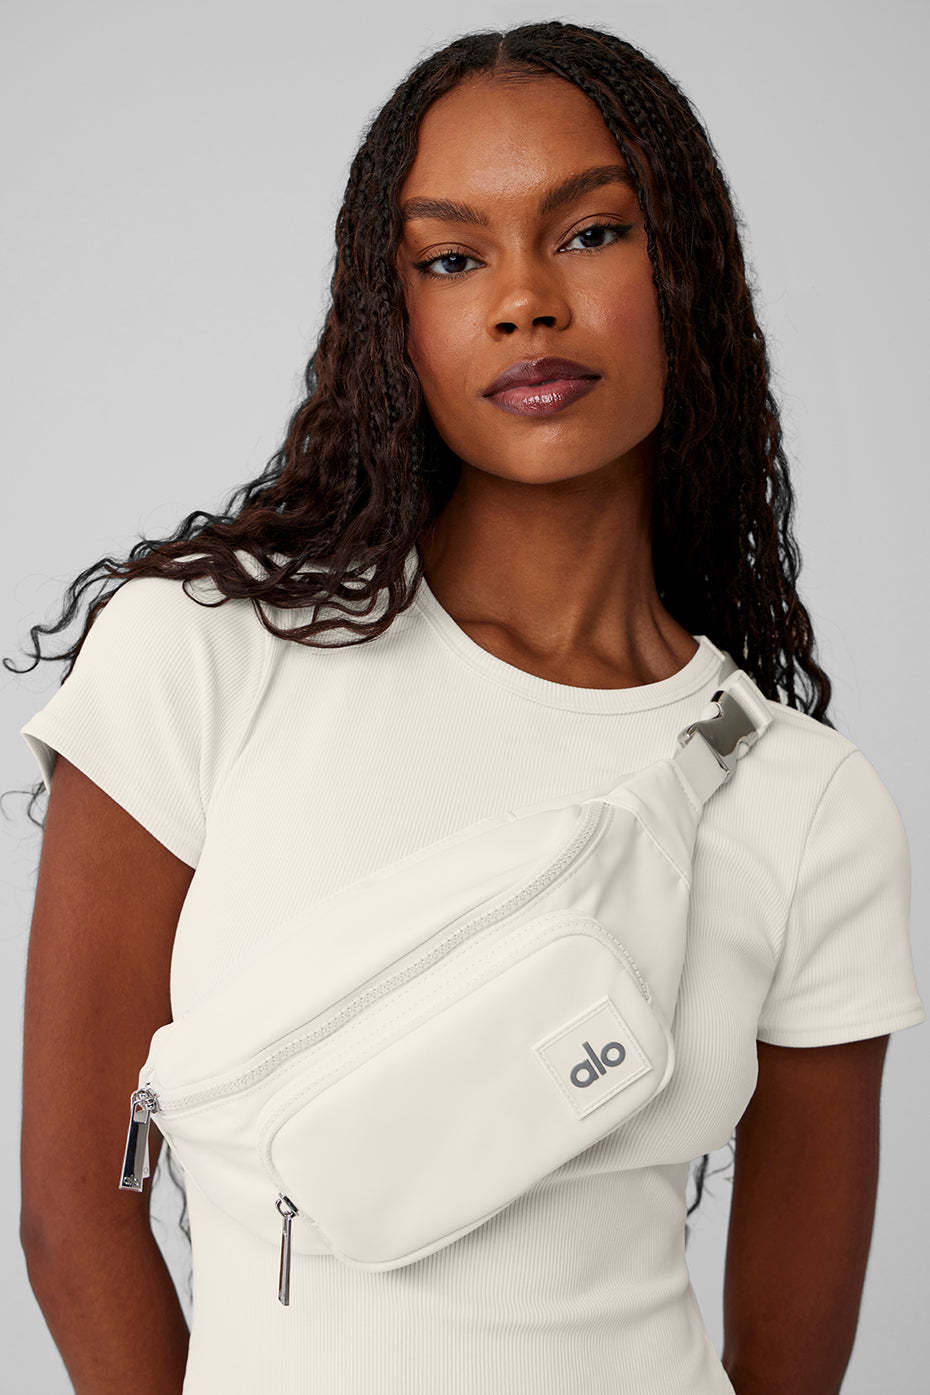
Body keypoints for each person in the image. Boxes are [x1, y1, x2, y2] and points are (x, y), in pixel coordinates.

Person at [15, 19, 925, 1395]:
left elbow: (788, 1368)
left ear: (688, 274)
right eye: (452, 258)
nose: (523, 303)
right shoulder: (204, 657)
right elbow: (73, 1215)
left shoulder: (802, 803)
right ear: (396, 320)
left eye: (590, 234)